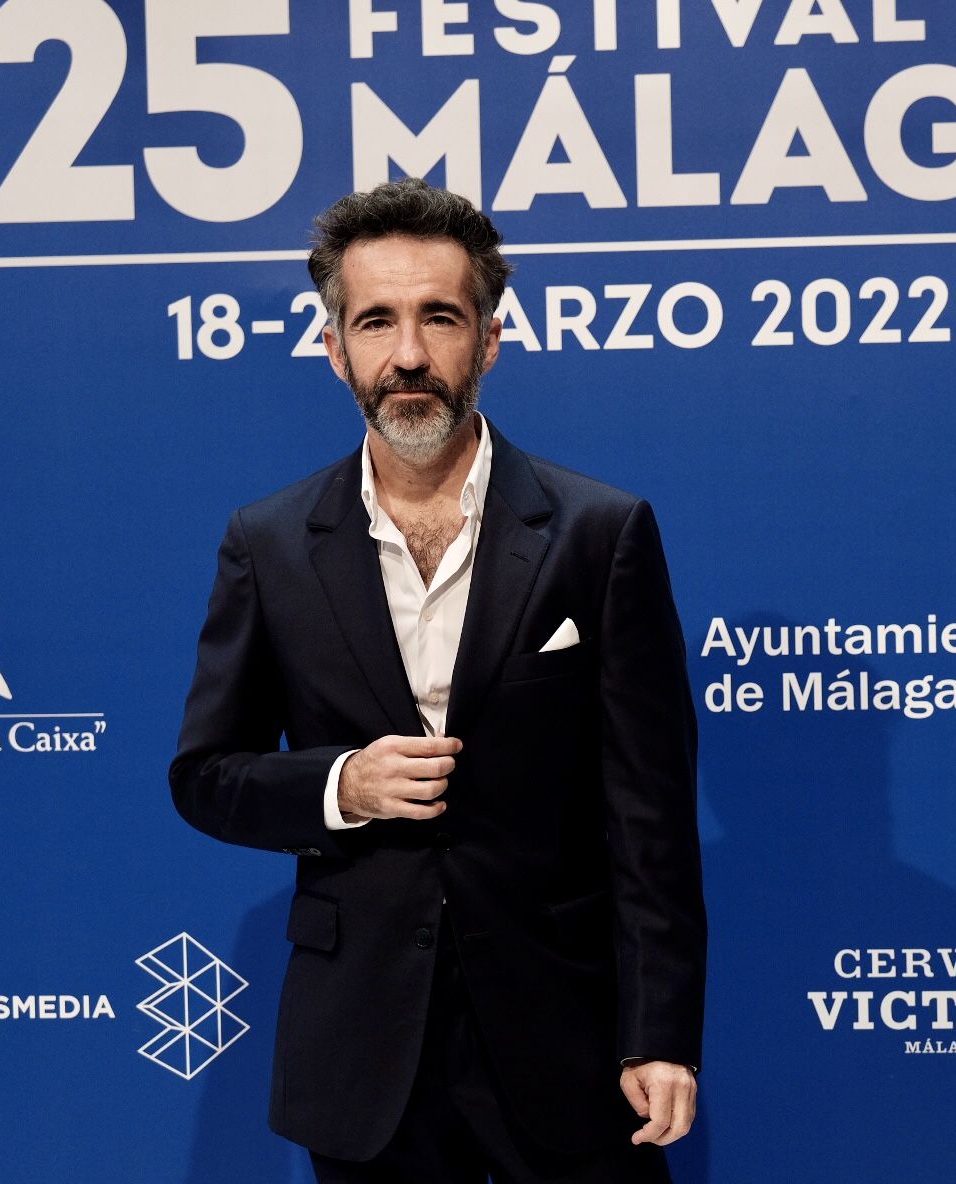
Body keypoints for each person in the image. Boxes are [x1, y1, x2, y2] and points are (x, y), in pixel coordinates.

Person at [169, 178, 705, 1183]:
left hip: (567, 1036)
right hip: (365, 1047)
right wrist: (343, 785)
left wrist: (661, 1030)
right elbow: (206, 773)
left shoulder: (600, 531)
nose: (408, 354)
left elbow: (650, 815)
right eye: (375, 319)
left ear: (489, 340)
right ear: (335, 348)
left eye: (439, 318)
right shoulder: (270, 542)